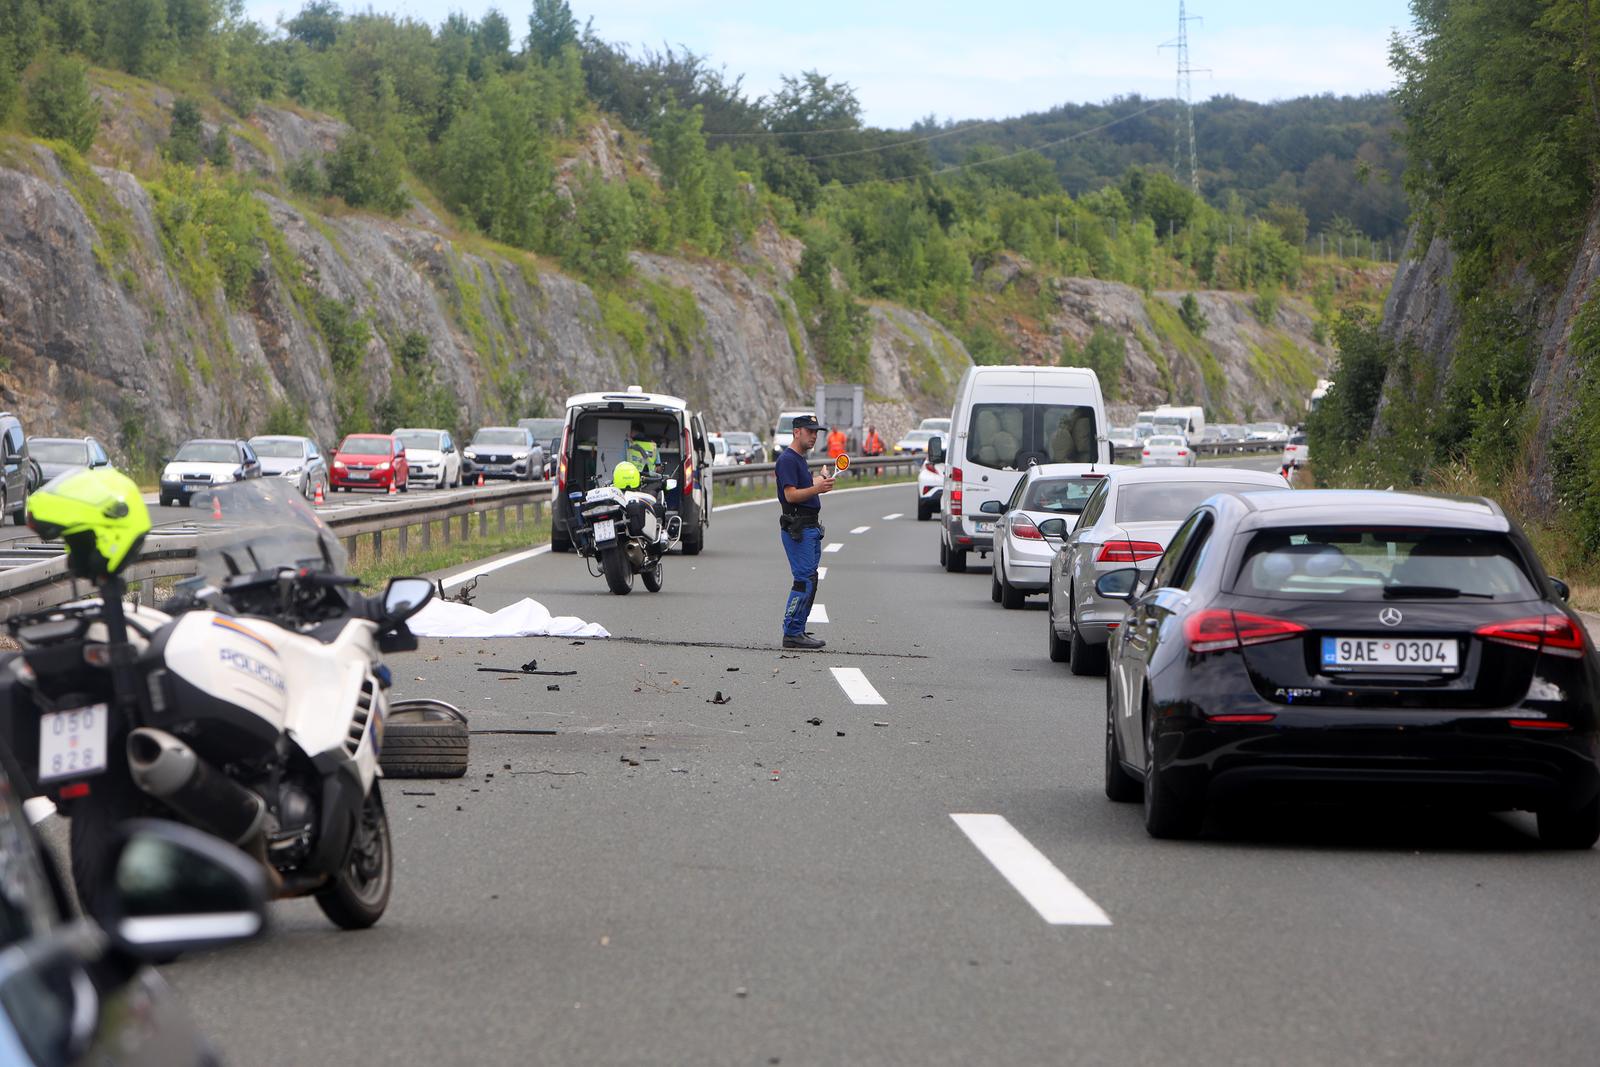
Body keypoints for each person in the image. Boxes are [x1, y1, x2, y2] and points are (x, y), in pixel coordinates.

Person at [776, 414, 834, 649]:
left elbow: (803, 486)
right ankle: (791, 632)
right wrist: (817, 488)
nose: (814, 436)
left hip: (809, 526)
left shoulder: (799, 459)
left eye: (816, 432)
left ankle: (797, 629)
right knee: (803, 581)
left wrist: (818, 481)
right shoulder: (788, 459)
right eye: (810, 431)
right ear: (796, 431)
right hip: (798, 528)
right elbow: (790, 495)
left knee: (810, 579)